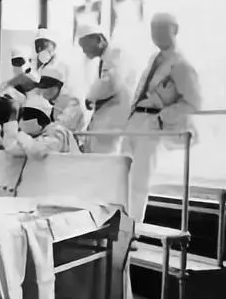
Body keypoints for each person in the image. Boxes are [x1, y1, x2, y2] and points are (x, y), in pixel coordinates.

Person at [121, 12, 201, 222]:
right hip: (135, 121)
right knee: (121, 176)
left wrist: (163, 117)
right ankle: (119, 225)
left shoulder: (181, 64)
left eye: (162, 29)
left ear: (175, 30)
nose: (156, 34)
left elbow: (194, 102)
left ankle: (133, 227)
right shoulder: (154, 59)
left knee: (139, 180)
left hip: (152, 122)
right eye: (153, 29)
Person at [77, 24, 136, 154]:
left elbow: (111, 82)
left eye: (85, 46)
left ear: (98, 39)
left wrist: (91, 97)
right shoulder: (106, 58)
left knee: (105, 158)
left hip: (113, 121)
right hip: (106, 122)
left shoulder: (116, 54)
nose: (84, 51)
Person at [2, 93, 81, 158]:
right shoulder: (33, 137)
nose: (23, 120)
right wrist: (11, 120)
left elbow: (37, 151)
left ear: (41, 118)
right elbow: (12, 149)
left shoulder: (58, 132)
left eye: (28, 116)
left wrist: (19, 133)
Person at [31, 65, 85, 134]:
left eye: (47, 86)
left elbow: (62, 126)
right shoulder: (40, 99)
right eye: (41, 86)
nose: (44, 90)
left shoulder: (72, 104)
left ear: (59, 86)